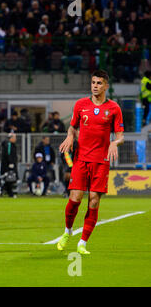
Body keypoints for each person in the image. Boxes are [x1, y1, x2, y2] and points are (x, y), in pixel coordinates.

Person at [58, 70, 124, 255]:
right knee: (75, 199)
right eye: (93, 82)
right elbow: (72, 128)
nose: (95, 86)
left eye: (99, 83)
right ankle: (67, 231)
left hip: (101, 161)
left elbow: (121, 136)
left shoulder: (114, 108)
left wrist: (114, 142)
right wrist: (70, 137)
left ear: (106, 86)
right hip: (81, 159)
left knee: (93, 201)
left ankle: (83, 242)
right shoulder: (80, 105)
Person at [0, 132, 18, 198]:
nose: (15, 139)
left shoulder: (11, 144)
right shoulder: (9, 144)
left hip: (8, 164)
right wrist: (11, 163)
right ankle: (9, 193)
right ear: (11, 138)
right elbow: (8, 154)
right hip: (8, 165)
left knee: (8, 179)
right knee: (9, 179)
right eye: (14, 137)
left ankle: (2, 190)